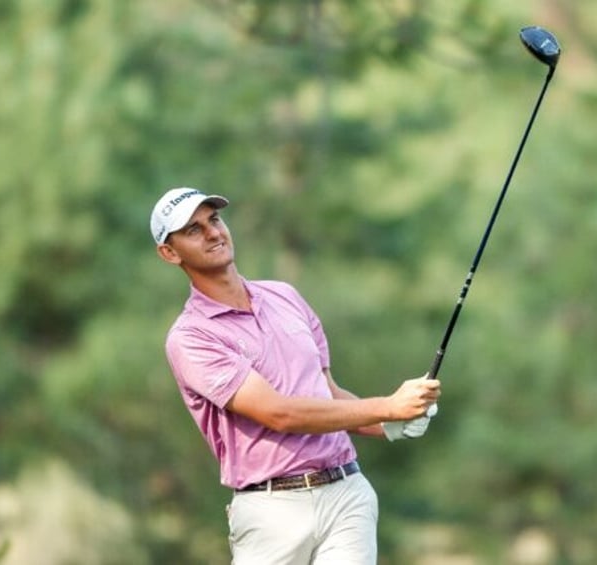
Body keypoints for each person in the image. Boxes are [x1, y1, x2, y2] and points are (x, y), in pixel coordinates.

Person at [150, 187, 441, 564]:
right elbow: (279, 413)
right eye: (193, 230)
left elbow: (328, 394)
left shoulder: (284, 296)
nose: (213, 233)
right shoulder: (191, 337)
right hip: (272, 511)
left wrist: (394, 422)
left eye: (215, 220)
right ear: (169, 253)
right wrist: (387, 407)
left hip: (345, 494)